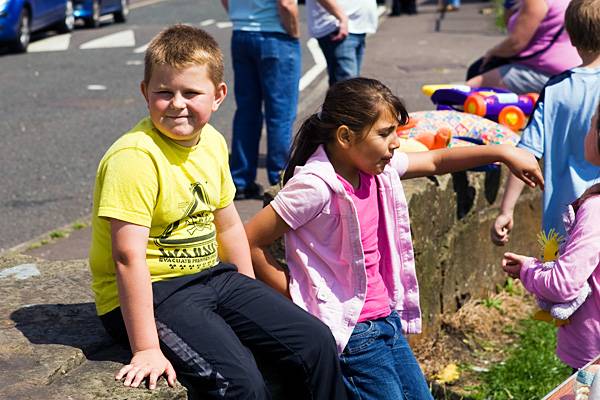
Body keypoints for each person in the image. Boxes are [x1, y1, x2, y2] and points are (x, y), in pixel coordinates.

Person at [88, 25, 348, 400]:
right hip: (158, 292)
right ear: (146, 93)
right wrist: (146, 347)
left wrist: (248, 293)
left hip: (213, 276)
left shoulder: (211, 141)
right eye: (164, 93)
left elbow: (227, 227)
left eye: (191, 92)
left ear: (218, 96)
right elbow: (128, 258)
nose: (177, 103)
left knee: (317, 341)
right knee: (242, 383)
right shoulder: (134, 158)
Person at [244, 77, 544, 399]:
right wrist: (300, 303)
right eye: (385, 133)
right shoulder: (317, 186)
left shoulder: (376, 170)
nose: (396, 143)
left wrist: (504, 153)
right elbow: (249, 240)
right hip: (353, 335)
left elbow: (435, 160)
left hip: (387, 320)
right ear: (345, 136)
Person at [491, 0, 600, 244]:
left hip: (558, 228)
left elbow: (525, 155)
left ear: (570, 37)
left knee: (556, 278)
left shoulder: (555, 88)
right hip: (595, 223)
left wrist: (506, 210)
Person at [501, 101, 600, 370]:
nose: (587, 131)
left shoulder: (595, 210)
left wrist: (528, 270)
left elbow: (563, 284)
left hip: (594, 359)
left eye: (592, 124)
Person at [222, 0, 301, 199]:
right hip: (275, 35)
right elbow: (286, 3)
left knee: (247, 112)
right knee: (280, 114)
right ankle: (279, 178)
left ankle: (240, 180)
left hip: (241, 33)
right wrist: (294, 32)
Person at [466, 0, 581, 94]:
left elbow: (515, 43)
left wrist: (492, 52)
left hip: (545, 71)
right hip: (571, 70)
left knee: (469, 89)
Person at [305, 0, 378, 85]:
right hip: (337, 26)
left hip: (356, 27)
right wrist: (342, 18)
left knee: (354, 86)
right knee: (348, 87)